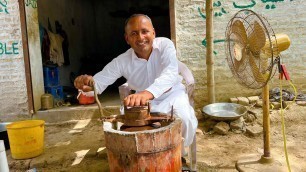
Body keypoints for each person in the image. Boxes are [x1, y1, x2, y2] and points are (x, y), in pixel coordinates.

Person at [74, 14, 198, 149]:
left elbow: (170, 74)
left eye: (145, 31)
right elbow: (99, 83)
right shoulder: (122, 61)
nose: (140, 37)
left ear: (153, 33)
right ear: (127, 39)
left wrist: (146, 93)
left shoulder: (165, 45)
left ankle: (177, 154)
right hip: (142, 104)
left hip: (173, 95)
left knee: (184, 119)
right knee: (133, 130)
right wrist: (88, 85)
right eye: (134, 33)